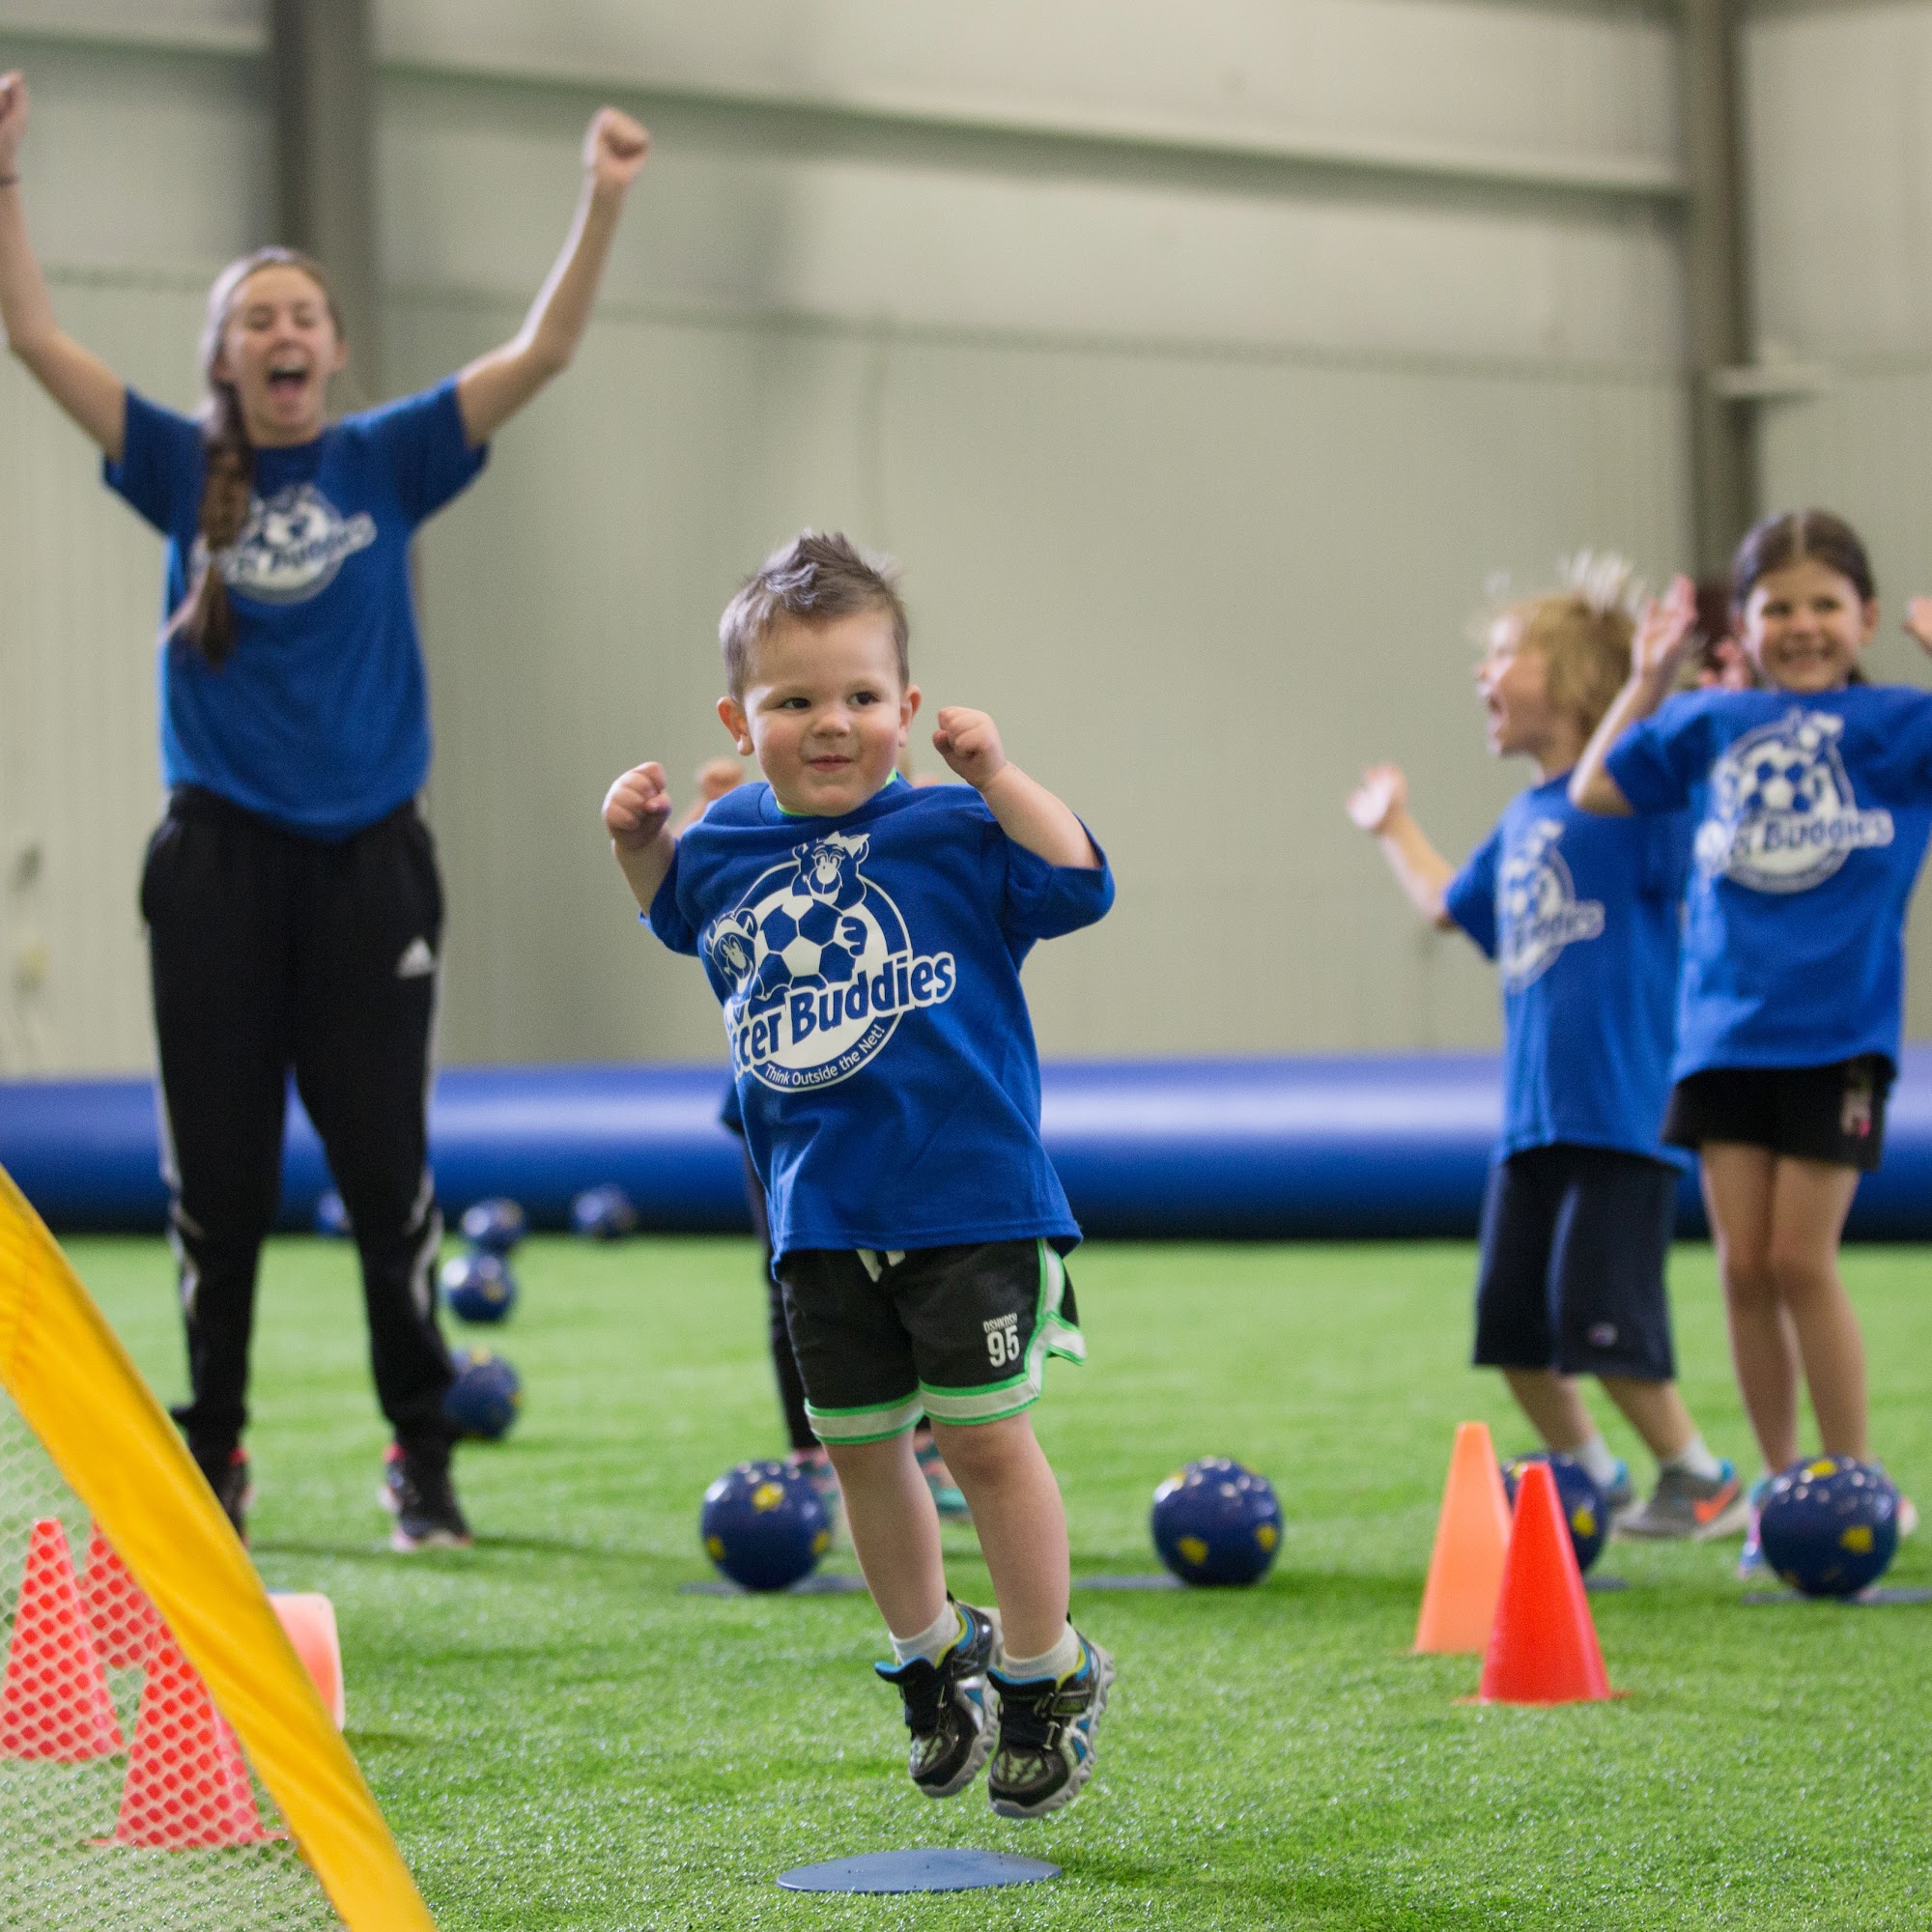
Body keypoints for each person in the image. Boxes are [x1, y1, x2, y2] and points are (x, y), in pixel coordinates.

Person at [0, 69, 649, 1549]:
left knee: (385, 1181)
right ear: (224, 357)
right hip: (216, 864)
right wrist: (7, 180)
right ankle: (212, 1451)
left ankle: (422, 1453)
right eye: (256, 318)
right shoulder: (176, 466)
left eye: (304, 315)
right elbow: (33, 332)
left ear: (339, 348)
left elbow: (544, 348)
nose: (284, 334)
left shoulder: (386, 457)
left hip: (372, 868)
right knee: (215, 1188)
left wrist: (600, 197)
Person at [604, 531, 1114, 1818]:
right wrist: (640, 839)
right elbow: (671, 913)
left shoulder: (952, 827)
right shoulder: (723, 846)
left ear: (908, 708)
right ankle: (931, 1655)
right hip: (818, 1216)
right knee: (861, 1455)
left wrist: (998, 773)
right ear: (740, 717)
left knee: (987, 1441)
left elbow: (1081, 880)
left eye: (859, 698)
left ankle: (1046, 1672)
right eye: (794, 702)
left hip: (969, 1201)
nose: (830, 725)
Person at [1348, 567, 1746, 1538]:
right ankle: (1592, 1480)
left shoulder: (1634, 809)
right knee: (1514, 1328)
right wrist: (1393, 825)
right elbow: (1451, 905)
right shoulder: (1523, 821)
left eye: (1499, 656)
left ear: (1568, 679)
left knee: (1599, 1320)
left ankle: (1697, 1476)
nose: (1481, 674)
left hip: (1620, 1113)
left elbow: (1674, 762)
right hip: (1531, 1120)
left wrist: (1647, 684)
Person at [1570, 514, 1932, 1574]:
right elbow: (1595, 787)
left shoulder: (1896, 724)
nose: (1802, 624)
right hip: (1722, 1031)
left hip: (1838, 1035)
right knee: (1739, 1266)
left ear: (1864, 615)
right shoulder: (1712, 719)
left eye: (1825, 602)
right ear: (1748, 621)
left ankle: (1852, 1475)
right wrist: (1644, 680)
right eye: (1777, 605)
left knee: (1795, 1258)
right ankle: (1783, 1489)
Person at [681, 756, 974, 1532]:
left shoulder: (914, 850)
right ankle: (816, 1451)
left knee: (913, 1271)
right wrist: (694, 823)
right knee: (800, 1276)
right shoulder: (749, 844)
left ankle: (925, 1438)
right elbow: (685, 906)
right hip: (783, 1119)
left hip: (887, 1117)